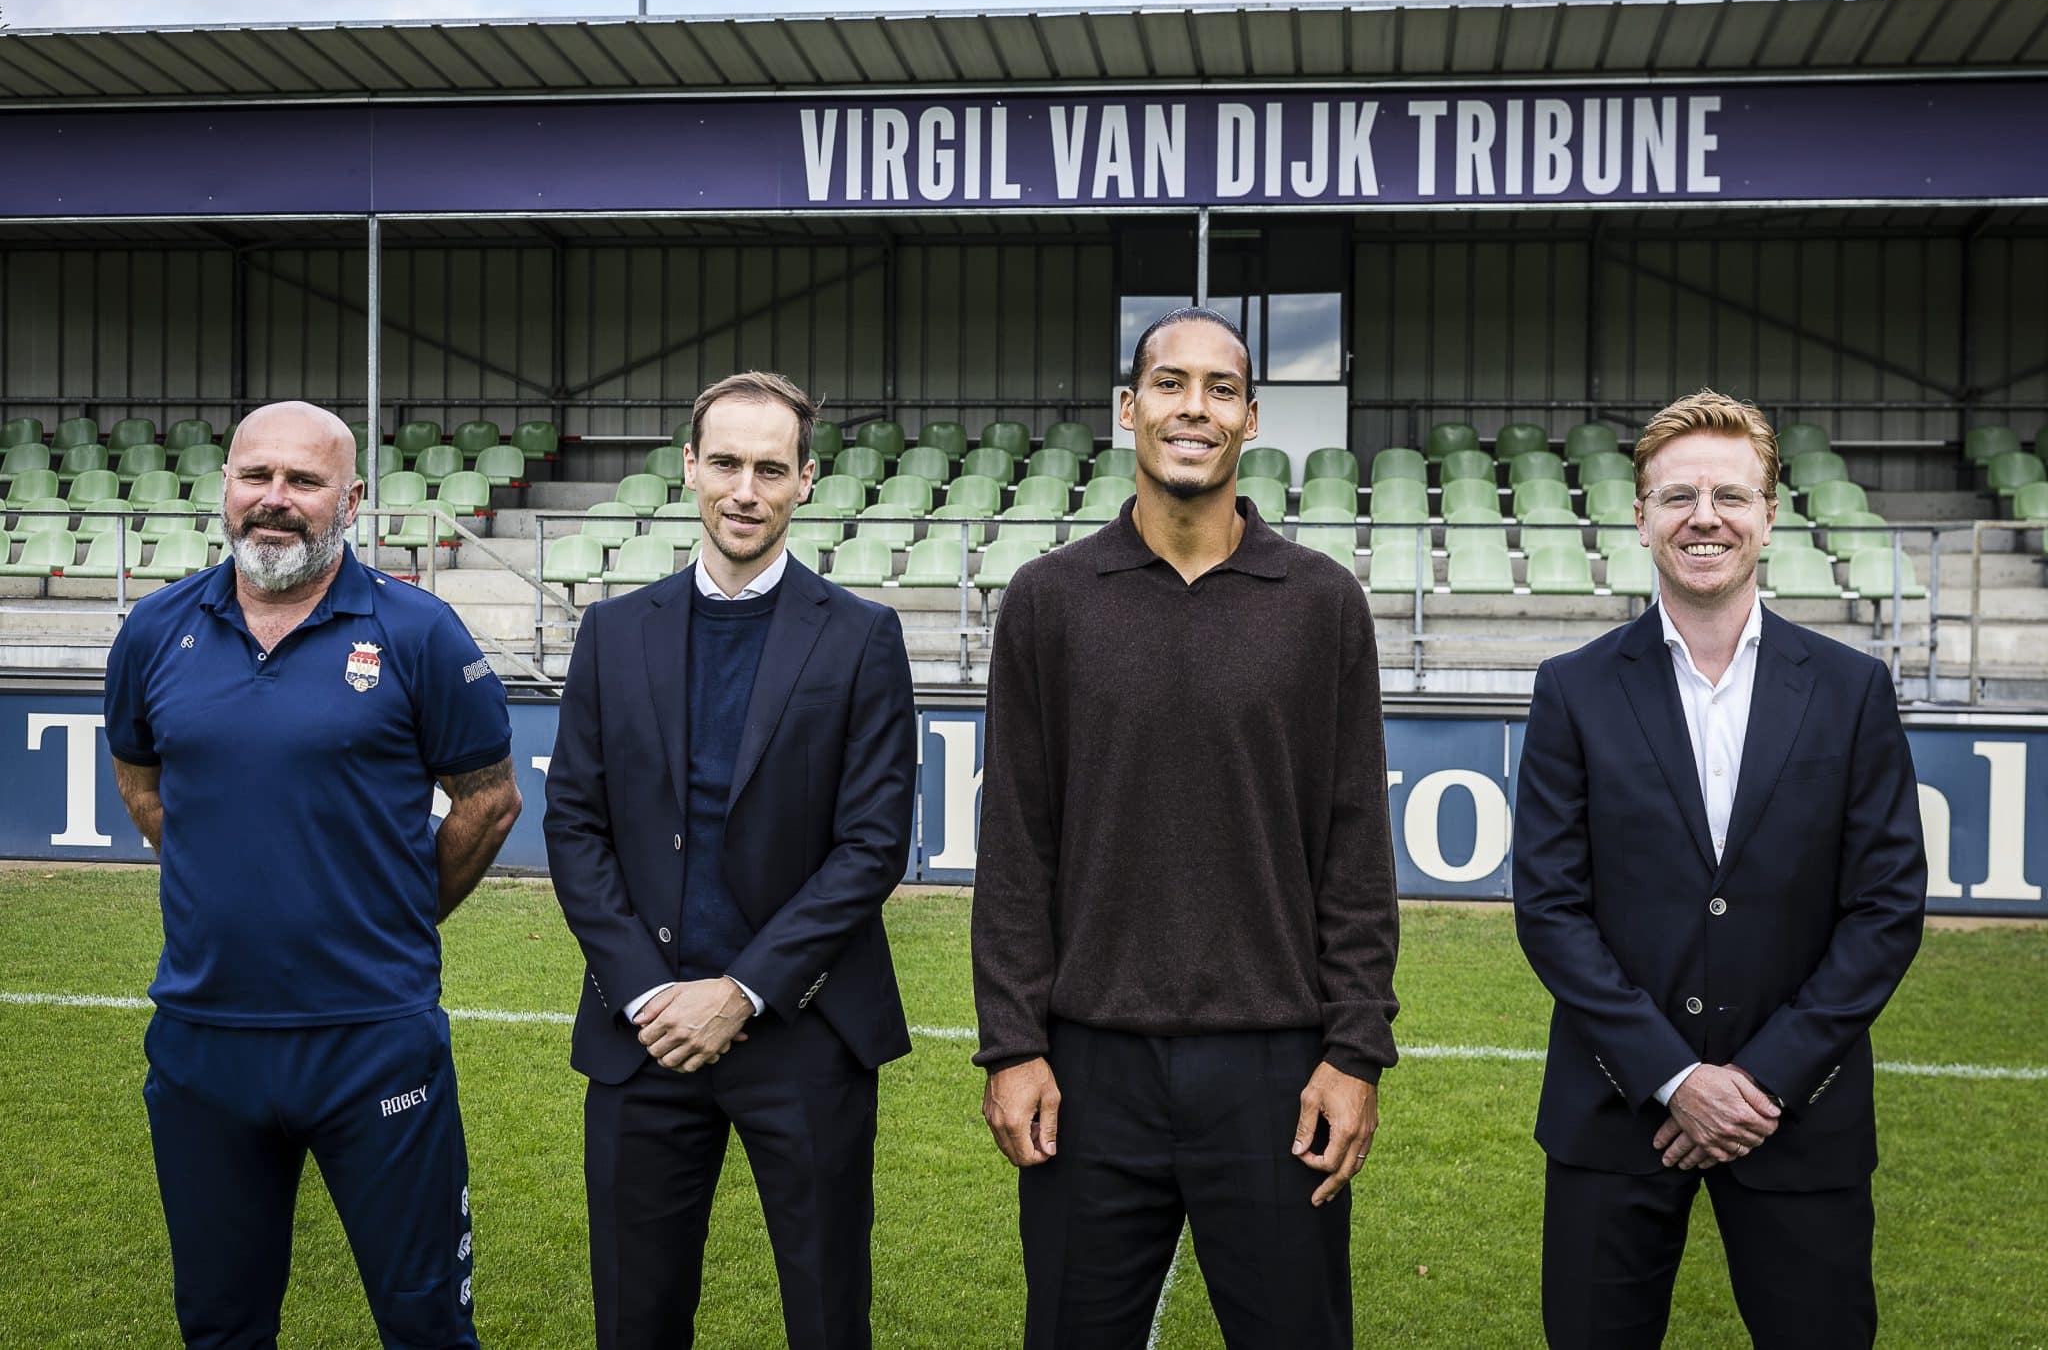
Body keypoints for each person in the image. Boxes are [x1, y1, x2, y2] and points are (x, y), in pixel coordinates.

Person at [972, 306, 1400, 1348]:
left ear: (1251, 417)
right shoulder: (1046, 599)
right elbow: (1016, 847)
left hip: (1277, 1072)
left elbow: (1353, 848)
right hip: (1086, 1070)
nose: (1193, 407)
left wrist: (1355, 1051)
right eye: (1169, 383)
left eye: (1220, 388)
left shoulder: (1322, 603)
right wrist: (1012, 1045)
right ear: (1129, 409)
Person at [103, 400, 522, 1349]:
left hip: (374, 1038)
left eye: (304, 480)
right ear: (225, 486)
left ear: (353, 499)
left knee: (426, 1325)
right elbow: (141, 780)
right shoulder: (155, 628)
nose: (275, 499)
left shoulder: (419, 630)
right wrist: (224, 879)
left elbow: (489, 801)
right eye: (257, 475)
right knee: (220, 1326)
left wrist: (393, 914)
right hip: (204, 1041)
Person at [1513, 390, 1926, 1349]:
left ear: (1769, 515)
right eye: (1679, 496)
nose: (1706, 517)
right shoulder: (1572, 688)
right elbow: (1551, 907)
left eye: (1731, 495)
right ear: (1641, 516)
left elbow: (1885, 909)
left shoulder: (1852, 690)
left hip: (1802, 1118)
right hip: (1615, 1113)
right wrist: (1672, 1076)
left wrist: (1765, 1079)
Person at [543, 371, 917, 1350]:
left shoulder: (863, 637)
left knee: (827, 1319)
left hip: (805, 1029)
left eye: (768, 468)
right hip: (644, 1032)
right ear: (689, 469)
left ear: (805, 480)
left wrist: (743, 991)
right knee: (636, 1319)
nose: (744, 491)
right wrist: (643, 990)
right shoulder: (612, 632)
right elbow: (573, 825)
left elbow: (872, 845)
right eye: (725, 464)